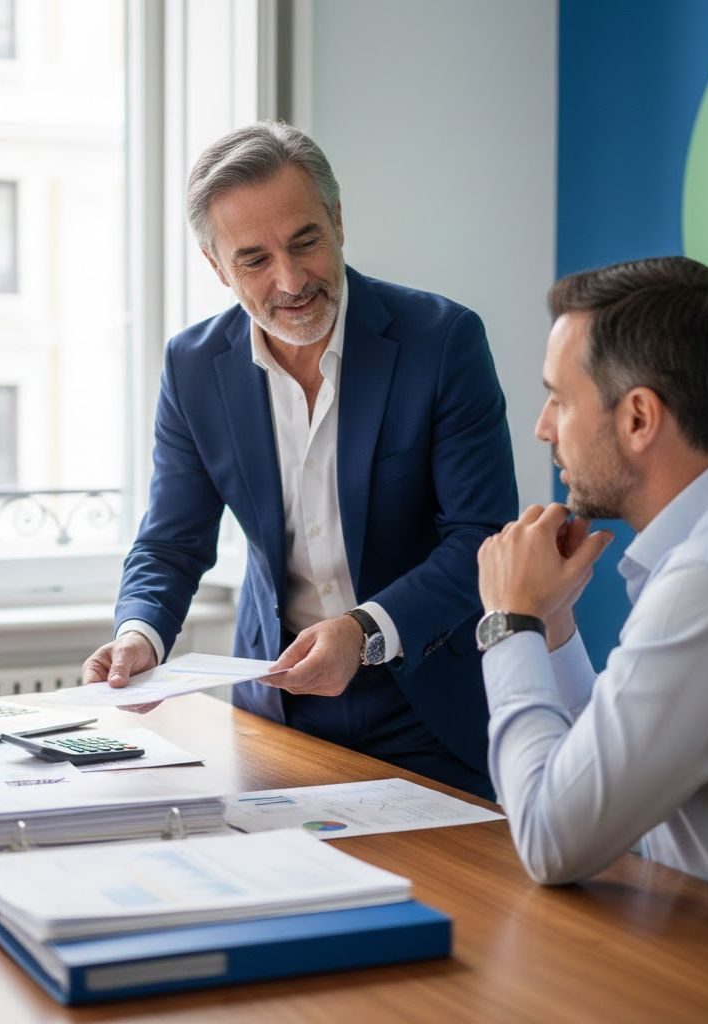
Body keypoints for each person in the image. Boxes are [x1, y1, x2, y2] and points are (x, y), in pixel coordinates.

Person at [82, 121, 517, 797]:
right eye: (254, 259)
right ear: (216, 265)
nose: (290, 281)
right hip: (278, 703)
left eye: (305, 241)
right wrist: (140, 635)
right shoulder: (194, 367)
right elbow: (171, 541)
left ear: (338, 220)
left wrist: (364, 632)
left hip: (428, 702)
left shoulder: (442, 341)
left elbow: (481, 538)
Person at [475, 255, 708, 889]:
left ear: (638, 418)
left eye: (559, 400)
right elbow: (605, 775)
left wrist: (509, 622)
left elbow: (551, 838)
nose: (542, 428)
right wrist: (552, 625)